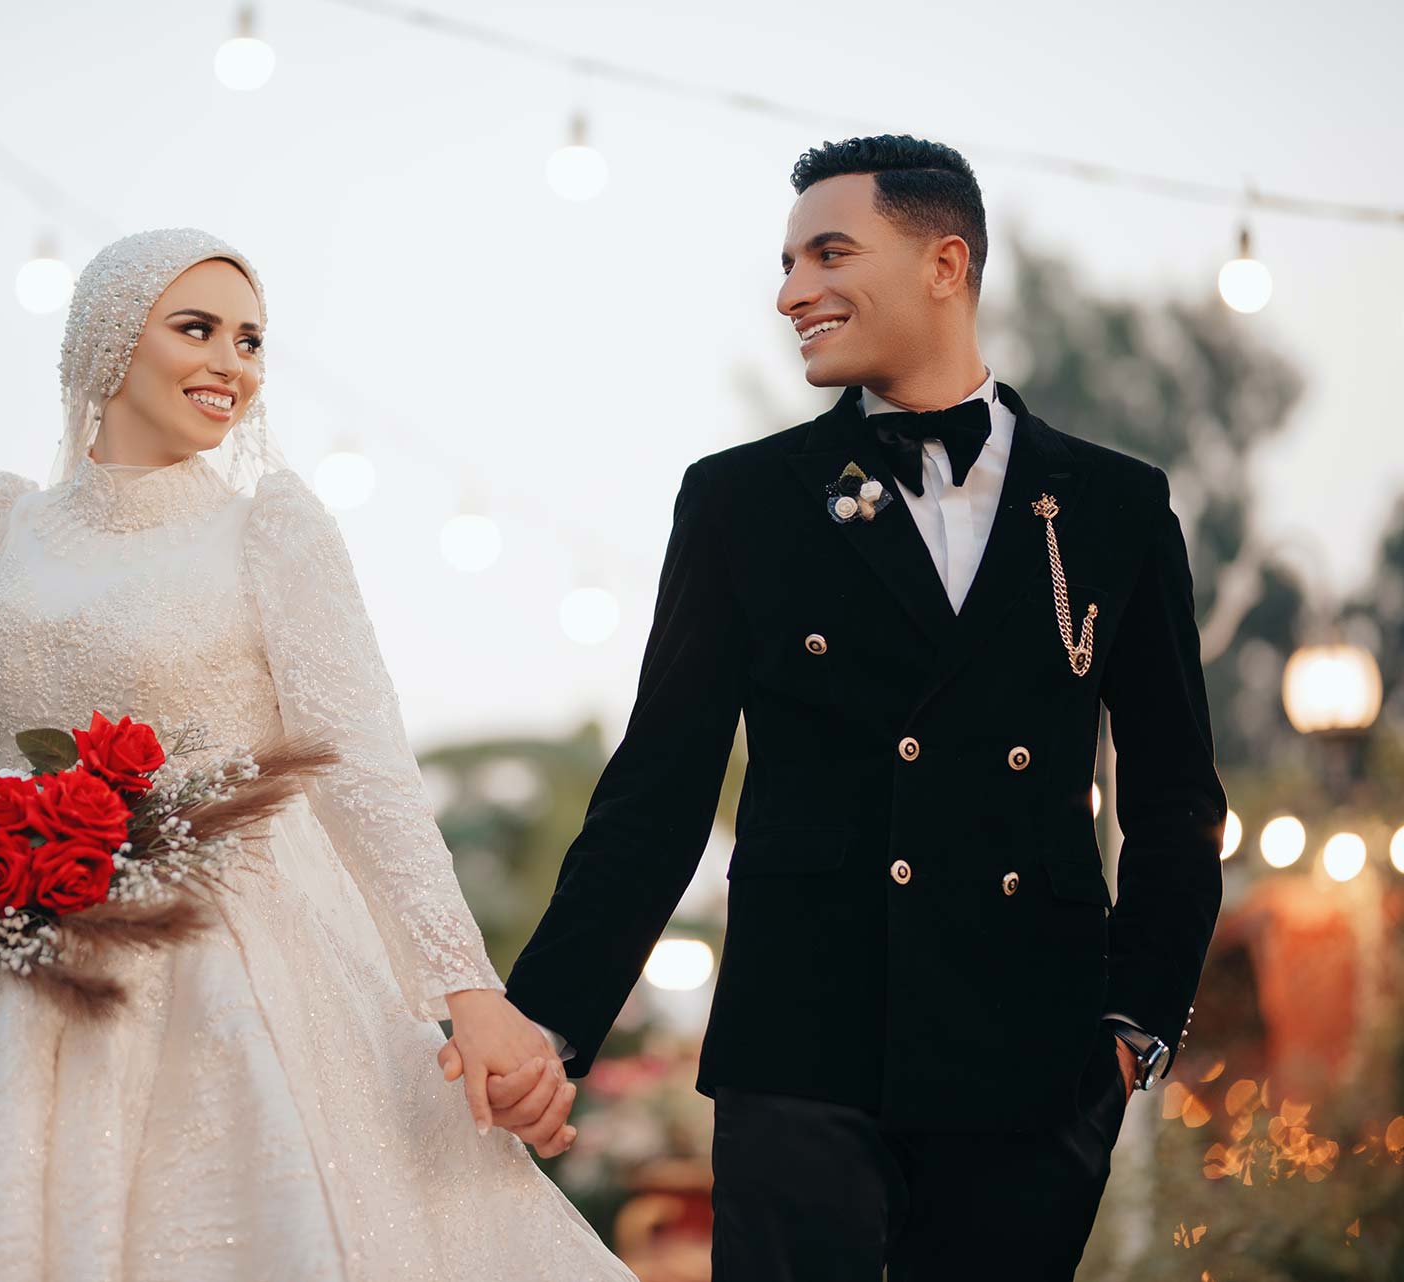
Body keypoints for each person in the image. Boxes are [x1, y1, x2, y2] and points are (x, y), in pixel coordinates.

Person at [0, 228, 629, 1282]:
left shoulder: (272, 529)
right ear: (107, 342)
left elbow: (365, 769)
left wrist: (469, 989)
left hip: (228, 959)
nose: (233, 363)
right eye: (198, 329)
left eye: (253, 340)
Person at [498, 136, 1226, 1280]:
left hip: (1032, 1063)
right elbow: (660, 785)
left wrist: (1135, 1027)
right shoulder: (742, 500)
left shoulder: (1116, 506)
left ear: (947, 263)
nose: (792, 292)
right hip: (802, 1053)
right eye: (787, 262)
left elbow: (1179, 797)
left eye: (829, 253)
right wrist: (545, 1016)